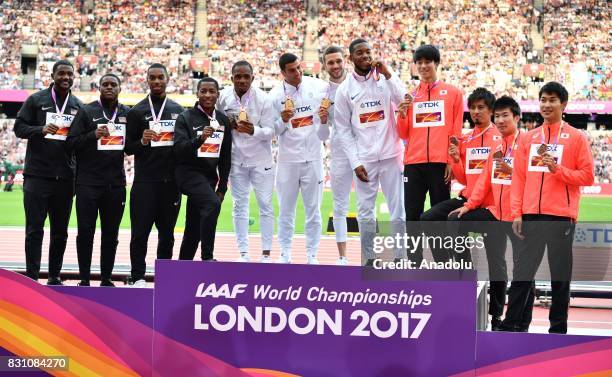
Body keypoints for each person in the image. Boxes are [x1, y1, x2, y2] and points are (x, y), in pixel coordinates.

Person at [510, 82, 594, 334]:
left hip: (560, 218)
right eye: (543, 99)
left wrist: (559, 171)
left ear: (564, 104)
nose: (546, 104)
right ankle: (510, 325)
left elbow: (587, 176)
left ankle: (558, 330)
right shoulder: (528, 138)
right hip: (531, 217)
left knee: (560, 278)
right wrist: (517, 213)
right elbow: (519, 179)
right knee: (522, 275)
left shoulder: (577, 137)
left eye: (552, 100)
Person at [449, 96, 535, 331]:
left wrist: (523, 213)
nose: (500, 120)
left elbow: (535, 181)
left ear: (517, 117)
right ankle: (467, 282)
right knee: (455, 220)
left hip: (520, 217)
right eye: (497, 116)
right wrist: (468, 206)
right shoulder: (497, 148)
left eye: (505, 115)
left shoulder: (528, 144)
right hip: (496, 215)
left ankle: (519, 323)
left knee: (523, 271)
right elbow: (484, 182)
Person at [334, 39, 408, 265]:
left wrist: (389, 74)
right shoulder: (345, 90)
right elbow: (343, 130)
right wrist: (355, 162)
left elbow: (405, 99)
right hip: (365, 161)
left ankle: (399, 256)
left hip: (391, 156)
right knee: (365, 213)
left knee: (398, 211)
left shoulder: (385, 81)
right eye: (360, 53)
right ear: (351, 58)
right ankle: (369, 258)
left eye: (368, 52)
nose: (365, 56)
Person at [13, 59, 83, 285]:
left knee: (60, 231)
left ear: (74, 77)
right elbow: (18, 128)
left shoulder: (78, 106)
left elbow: (80, 142)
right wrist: (39, 129)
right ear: (52, 76)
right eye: (61, 73)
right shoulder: (36, 100)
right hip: (37, 176)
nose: (66, 77)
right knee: (34, 229)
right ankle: (32, 276)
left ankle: (54, 276)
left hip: (65, 178)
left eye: (69, 74)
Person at [397, 45, 463, 264]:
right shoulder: (411, 96)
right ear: (415, 66)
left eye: (428, 61)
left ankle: (442, 262)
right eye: (420, 62)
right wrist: (403, 113)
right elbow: (402, 132)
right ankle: (414, 262)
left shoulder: (452, 93)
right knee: (412, 217)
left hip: (439, 164)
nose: (424, 66)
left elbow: (455, 130)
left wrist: (450, 161)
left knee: (437, 218)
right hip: (413, 164)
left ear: (436, 63)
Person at [421, 88, 501, 263]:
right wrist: (456, 159)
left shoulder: (500, 138)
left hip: (490, 204)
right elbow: (464, 179)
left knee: (495, 258)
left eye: (481, 107)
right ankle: (450, 267)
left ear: (491, 110)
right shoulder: (465, 139)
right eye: (472, 108)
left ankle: (463, 270)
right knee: (427, 218)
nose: (475, 112)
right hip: (468, 198)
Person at [66, 74, 129, 287]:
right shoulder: (86, 111)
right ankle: (84, 278)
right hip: (88, 184)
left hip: (116, 185)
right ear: (99, 87)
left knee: (111, 235)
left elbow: (131, 147)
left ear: (120, 88)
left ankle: (106, 278)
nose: (109, 87)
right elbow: (70, 142)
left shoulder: (127, 113)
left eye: (113, 84)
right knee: (85, 233)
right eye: (105, 84)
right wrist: (92, 135)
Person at [125, 63, 184, 287]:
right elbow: (127, 148)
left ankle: (165, 278)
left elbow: (183, 147)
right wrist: (142, 141)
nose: (157, 81)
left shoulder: (179, 110)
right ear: (147, 80)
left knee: (167, 235)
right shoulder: (136, 111)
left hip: (171, 184)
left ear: (168, 79)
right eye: (153, 78)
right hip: (145, 182)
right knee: (139, 234)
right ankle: (138, 276)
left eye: (161, 77)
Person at [269, 53, 329, 264]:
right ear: (283, 73)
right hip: (288, 160)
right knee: (286, 210)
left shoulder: (319, 87)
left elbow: (325, 132)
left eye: (299, 67)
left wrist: (323, 121)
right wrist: (283, 120)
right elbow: (272, 131)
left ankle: (312, 253)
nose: (298, 73)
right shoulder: (275, 96)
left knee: (314, 211)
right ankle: (285, 252)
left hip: (313, 158)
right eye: (292, 70)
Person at [217, 61, 275, 263]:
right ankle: (243, 253)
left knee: (265, 205)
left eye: (246, 76)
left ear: (253, 77)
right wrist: (227, 125)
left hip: (261, 161)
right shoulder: (222, 97)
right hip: (236, 160)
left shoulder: (264, 99)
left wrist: (253, 130)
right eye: (238, 76)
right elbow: (215, 122)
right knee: (239, 205)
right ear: (231, 77)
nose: (242, 80)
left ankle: (266, 253)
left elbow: (271, 132)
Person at [173, 78, 232, 261]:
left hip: (208, 179)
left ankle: (183, 266)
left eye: (211, 91)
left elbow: (225, 156)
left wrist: (222, 187)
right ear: (197, 94)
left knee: (193, 226)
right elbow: (179, 150)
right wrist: (200, 139)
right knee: (211, 204)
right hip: (187, 174)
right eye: (203, 91)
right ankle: (207, 257)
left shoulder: (222, 120)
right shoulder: (186, 117)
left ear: (217, 94)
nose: (207, 95)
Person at [320, 45, 352, 265]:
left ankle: (368, 257)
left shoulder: (358, 83)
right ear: (324, 66)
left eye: (338, 61)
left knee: (366, 206)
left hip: (366, 151)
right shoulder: (322, 94)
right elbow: (322, 134)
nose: (335, 66)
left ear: (345, 61)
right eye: (330, 62)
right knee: (340, 205)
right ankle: (342, 257)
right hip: (340, 152)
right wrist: (322, 120)